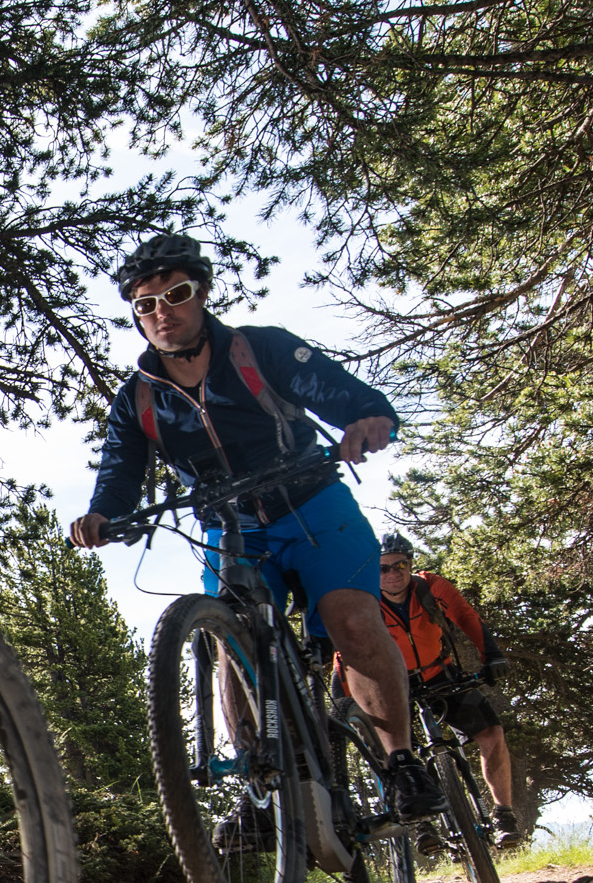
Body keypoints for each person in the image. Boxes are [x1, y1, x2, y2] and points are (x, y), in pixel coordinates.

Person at [67, 231, 439, 822]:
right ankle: (261, 787)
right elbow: (120, 469)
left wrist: (368, 421)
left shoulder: (259, 350)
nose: (162, 312)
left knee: (350, 618)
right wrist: (104, 515)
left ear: (203, 293)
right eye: (145, 304)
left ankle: (401, 763)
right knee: (230, 642)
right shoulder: (138, 397)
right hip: (230, 526)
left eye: (176, 294)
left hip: (314, 507)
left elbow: (342, 394)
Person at [359, 534, 524, 848]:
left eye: (400, 565)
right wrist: (344, 694)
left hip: (439, 673)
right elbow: (346, 651)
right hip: (393, 685)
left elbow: (465, 616)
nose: (393, 573)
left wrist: (492, 656)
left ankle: (504, 815)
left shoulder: (431, 587)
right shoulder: (364, 600)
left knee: (491, 734)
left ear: (411, 564)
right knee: (392, 754)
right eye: (383, 569)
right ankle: (422, 824)